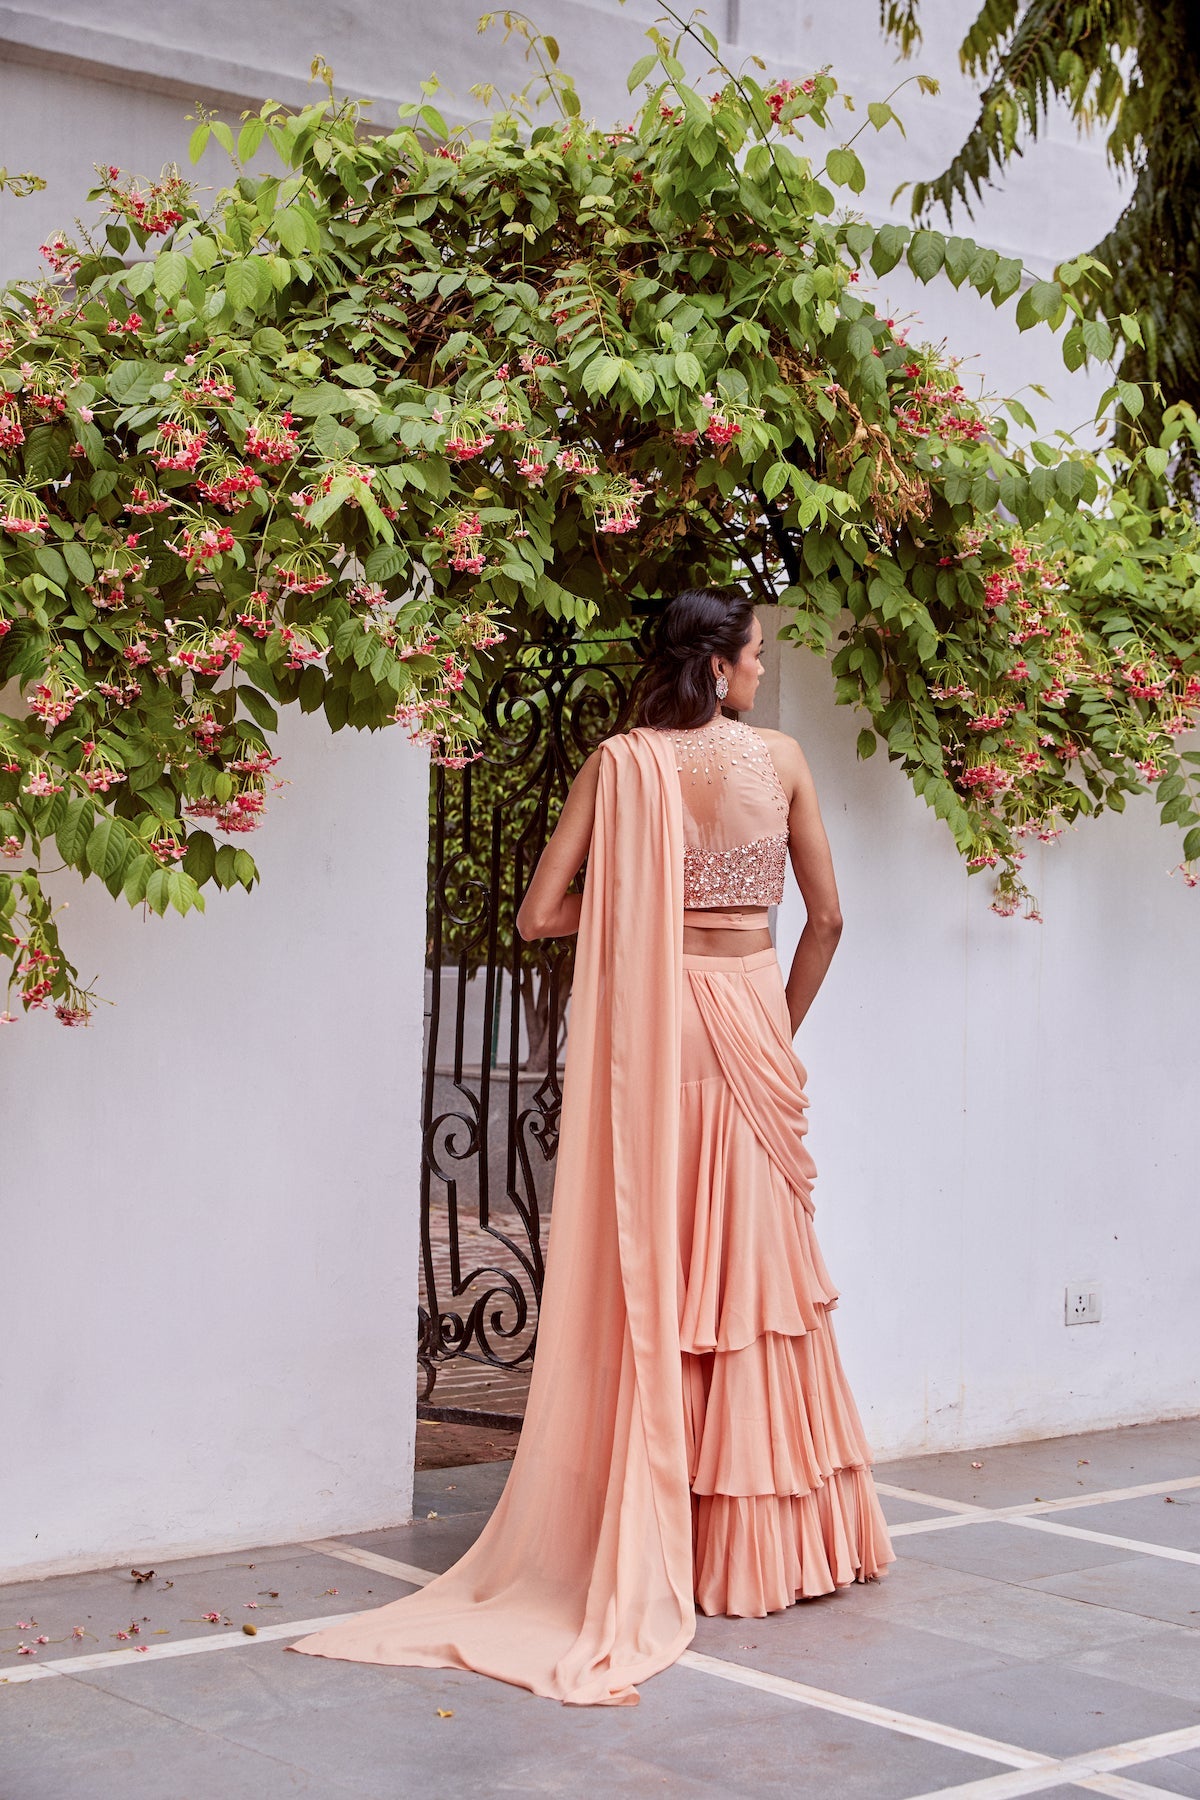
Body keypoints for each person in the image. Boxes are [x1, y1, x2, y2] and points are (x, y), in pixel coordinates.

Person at [288, 587, 893, 1705]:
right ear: (716, 667)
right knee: (755, 1279)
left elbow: (539, 916)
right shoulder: (785, 760)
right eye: (754, 658)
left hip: (664, 1032)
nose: (761, 674)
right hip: (751, 1015)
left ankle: (654, 1531)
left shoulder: (621, 766)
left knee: (662, 1271)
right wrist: (773, 1029)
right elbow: (831, 919)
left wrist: (645, 915)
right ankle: (763, 1550)